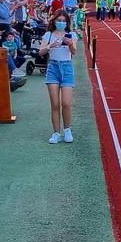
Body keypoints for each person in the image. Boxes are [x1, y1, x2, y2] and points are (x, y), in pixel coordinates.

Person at [38, 10, 78, 144]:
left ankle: (67, 129)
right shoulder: (48, 34)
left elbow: (74, 52)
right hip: (53, 68)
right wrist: (50, 46)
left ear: (67, 22)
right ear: (54, 21)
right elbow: (41, 52)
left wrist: (70, 43)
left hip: (67, 68)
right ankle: (56, 132)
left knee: (66, 103)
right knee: (55, 104)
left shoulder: (71, 34)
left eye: (63, 21)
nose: (61, 23)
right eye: (58, 20)